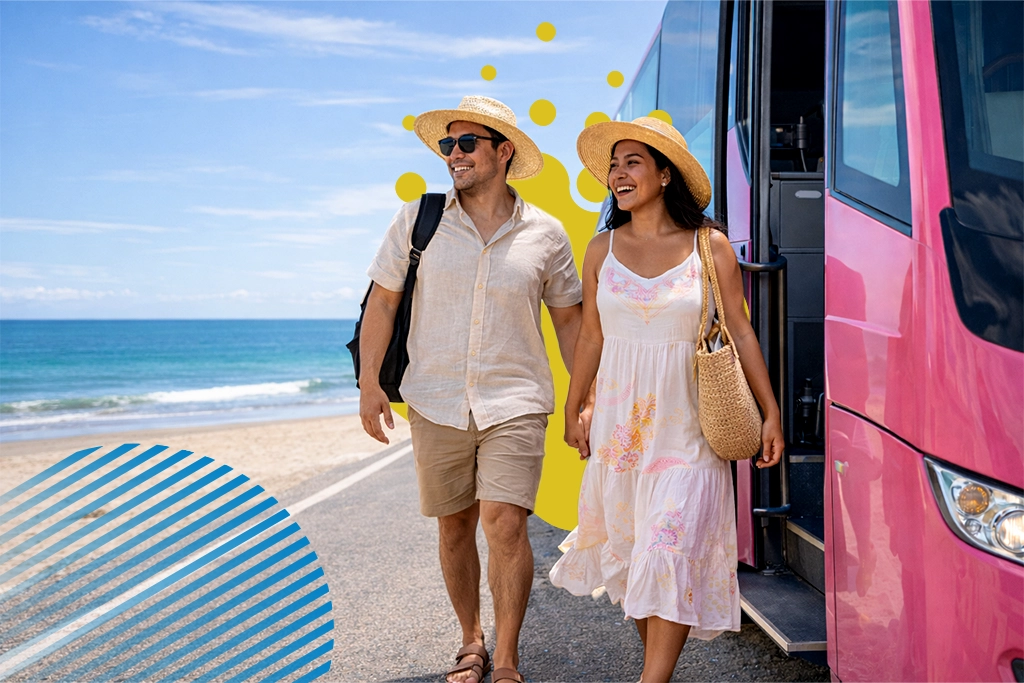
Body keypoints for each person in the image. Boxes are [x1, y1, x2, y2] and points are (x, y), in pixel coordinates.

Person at [549, 116, 784, 683]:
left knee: (666, 548)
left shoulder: (710, 246)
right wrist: (574, 404)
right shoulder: (601, 249)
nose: (618, 173)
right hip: (620, 428)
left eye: (633, 162)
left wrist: (770, 410)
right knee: (633, 562)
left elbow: (742, 330)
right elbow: (592, 337)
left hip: (689, 429)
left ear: (664, 175)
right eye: (614, 164)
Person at [358, 96, 583, 683]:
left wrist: (587, 395)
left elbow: (569, 320)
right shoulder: (419, 219)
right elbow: (383, 302)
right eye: (446, 145)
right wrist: (368, 385)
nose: (452, 155)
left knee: (505, 523)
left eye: (465, 144)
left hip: (516, 400)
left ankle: (506, 656)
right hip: (433, 398)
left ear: (502, 151)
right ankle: (471, 638)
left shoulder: (547, 234)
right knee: (454, 524)